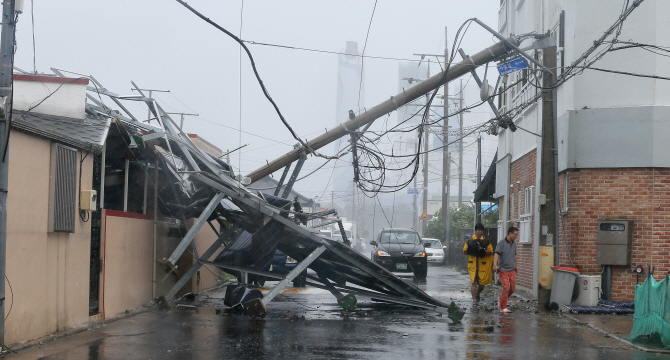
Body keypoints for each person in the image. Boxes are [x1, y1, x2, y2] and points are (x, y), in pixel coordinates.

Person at [463, 223, 493, 306]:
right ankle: (474, 300)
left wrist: (483, 251)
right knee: (474, 283)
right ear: (475, 231)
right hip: (473, 266)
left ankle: (477, 293)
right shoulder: (470, 241)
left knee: (482, 285)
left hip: (482, 266)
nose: (480, 232)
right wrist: (471, 250)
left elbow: (490, 251)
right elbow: (465, 251)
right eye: (478, 230)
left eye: (481, 230)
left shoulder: (486, 242)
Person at [494, 226, 519, 314]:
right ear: (510, 233)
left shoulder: (514, 244)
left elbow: (515, 255)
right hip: (503, 269)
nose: (516, 236)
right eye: (515, 234)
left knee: (512, 289)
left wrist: (516, 266)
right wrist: (495, 265)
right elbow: (496, 254)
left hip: (511, 269)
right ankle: (502, 307)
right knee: (506, 287)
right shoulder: (501, 243)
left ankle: (501, 299)